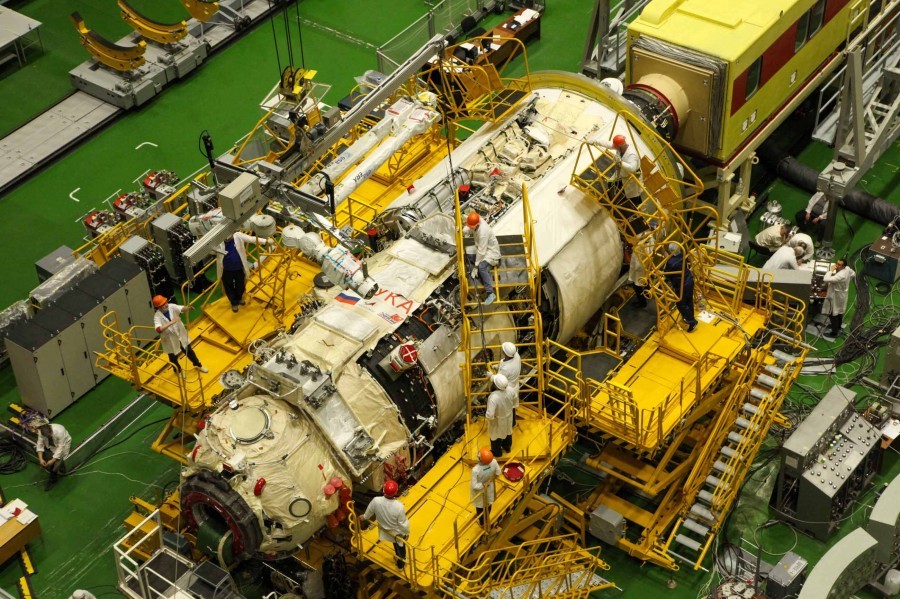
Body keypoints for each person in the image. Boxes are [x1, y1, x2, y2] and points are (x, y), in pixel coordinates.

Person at [215, 232, 273, 313]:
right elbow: (211, 250)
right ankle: (234, 303)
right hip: (226, 270)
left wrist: (265, 241)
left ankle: (239, 298)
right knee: (229, 287)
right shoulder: (218, 241)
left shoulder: (238, 235)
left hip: (239, 268)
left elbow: (251, 239)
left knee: (240, 285)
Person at [153, 296, 207, 375]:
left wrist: (188, 308)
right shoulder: (157, 316)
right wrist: (172, 322)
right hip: (170, 339)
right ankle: (178, 371)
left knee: (189, 351)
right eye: (163, 304)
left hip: (180, 335)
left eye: (166, 303)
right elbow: (158, 329)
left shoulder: (171, 306)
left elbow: (180, 308)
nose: (166, 305)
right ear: (159, 307)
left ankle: (198, 365)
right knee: (173, 357)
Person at [362, 480, 410, 569]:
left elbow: (369, 512)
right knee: (400, 545)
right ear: (396, 492)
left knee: (396, 544)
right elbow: (403, 523)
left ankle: (399, 558)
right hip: (396, 533)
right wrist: (406, 533)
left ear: (383, 490)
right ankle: (401, 565)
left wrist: (364, 517)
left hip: (384, 530)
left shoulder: (376, 501)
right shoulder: (399, 507)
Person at [463, 212, 501, 305]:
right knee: (469, 255)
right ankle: (485, 269)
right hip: (484, 248)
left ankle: (490, 293)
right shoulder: (476, 219)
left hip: (492, 253)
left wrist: (476, 267)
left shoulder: (483, 232)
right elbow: (469, 225)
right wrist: (463, 230)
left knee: (481, 267)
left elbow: (481, 252)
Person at [664, 243, 698, 332]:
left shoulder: (670, 262)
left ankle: (692, 322)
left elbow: (666, 274)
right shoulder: (682, 255)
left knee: (681, 303)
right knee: (689, 300)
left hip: (682, 286)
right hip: (689, 281)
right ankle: (689, 317)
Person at [598, 134, 641, 204]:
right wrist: (594, 141)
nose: (615, 148)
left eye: (617, 147)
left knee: (632, 195)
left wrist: (620, 162)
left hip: (632, 176)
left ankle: (633, 207)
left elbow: (632, 168)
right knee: (611, 183)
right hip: (622, 172)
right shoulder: (620, 147)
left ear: (621, 145)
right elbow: (608, 144)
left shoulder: (632, 154)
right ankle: (614, 201)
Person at [822, 259, 855, 338]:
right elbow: (853, 274)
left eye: (839, 265)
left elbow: (826, 279)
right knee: (839, 311)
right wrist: (847, 280)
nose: (836, 265)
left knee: (832, 313)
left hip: (835, 296)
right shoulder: (847, 269)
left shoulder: (841, 275)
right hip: (842, 294)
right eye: (837, 263)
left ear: (843, 266)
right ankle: (838, 326)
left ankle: (834, 333)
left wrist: (831, 270)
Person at [629, 220, 658, 307]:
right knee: (646, 280)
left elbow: (636, 260)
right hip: (646, 265)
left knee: (637, 285)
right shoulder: (650, 237)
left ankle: (642, 302)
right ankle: (648, 294)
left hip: (639, 267)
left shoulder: (640, 242)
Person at [471, 447, 502, 526]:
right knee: (488, 503)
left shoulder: (475, 470)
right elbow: (498, 472)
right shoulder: (494, 462)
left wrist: (483, 484)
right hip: (489, 487)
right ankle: (487, 519)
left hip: (480, 491)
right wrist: (490, 480)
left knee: (480, 506)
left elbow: (474, 486)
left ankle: (482, 523)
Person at [485, 373, 514, 456]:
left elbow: (490, 415)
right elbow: (515, 400)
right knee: (508, 432)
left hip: (498, 420)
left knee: (495, 436)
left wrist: (489, 417)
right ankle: (507, 448)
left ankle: (497, 453)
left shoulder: (493, 397)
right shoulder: (510, 390)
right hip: (509, 416)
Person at [37, 423, 71, 491]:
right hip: (53, 445)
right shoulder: (41, 432)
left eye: (48, 436)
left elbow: (60, 447)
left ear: (51, 431)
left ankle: (53, 479)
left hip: (64, 443)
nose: (46, 437)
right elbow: (40, 444)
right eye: (45, 436)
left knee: (60, 458)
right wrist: (40, 459)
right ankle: (53, 471)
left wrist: (53, 460)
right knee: (52, 457)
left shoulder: (60, 431)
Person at [496, 342, 521, 426]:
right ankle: (513, 423)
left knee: (506, 409)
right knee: (512, 407)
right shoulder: (517, 356)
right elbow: (505, 363)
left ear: (505, 353)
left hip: (507, 389)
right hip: (515, 386)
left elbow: (499, 380)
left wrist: (491, 376)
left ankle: (508, 425)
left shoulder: (506, 369)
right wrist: (498, 366)